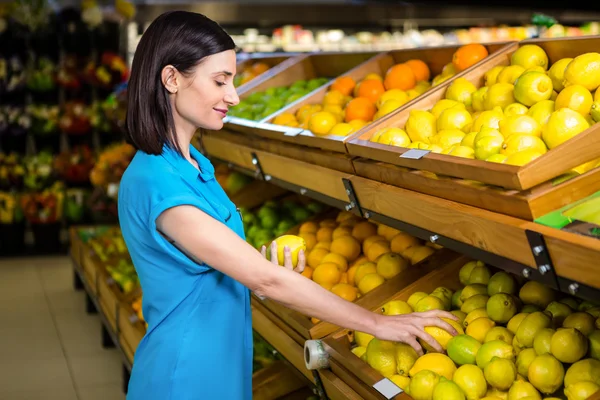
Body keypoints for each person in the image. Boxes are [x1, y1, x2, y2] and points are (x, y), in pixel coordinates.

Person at [118, 10, 458, 400]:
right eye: (220, 81)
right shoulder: (157, 183)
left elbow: (221, 269)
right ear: (172, 78)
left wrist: (256, 262)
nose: (234, 96)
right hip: (185, 377)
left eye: (233, 80)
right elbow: (267, 281)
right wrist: (377, 324)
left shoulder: (193, 165)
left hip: (220, 366)